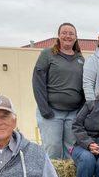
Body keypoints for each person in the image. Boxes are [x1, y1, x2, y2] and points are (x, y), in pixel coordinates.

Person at [32, 22, 84, 159]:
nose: (68, 36)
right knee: (53, 149)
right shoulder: (47, 54)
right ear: (59, 35)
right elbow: (38, 82)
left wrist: (81, 112)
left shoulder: (80, 58)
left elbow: (84, 86)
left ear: (76, 37)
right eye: (64, 33)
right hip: (52, 112)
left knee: (70, 150)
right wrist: (45, 109)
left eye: (71, 33)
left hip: (73, 114)